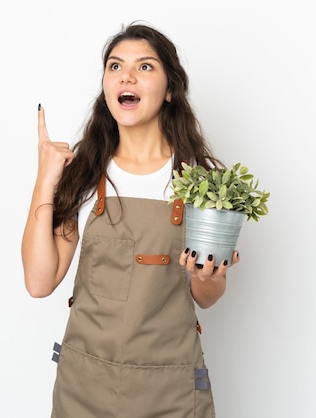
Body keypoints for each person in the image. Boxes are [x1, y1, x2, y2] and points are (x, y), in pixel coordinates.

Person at [21, 22, 240, 417]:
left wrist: (211, 277)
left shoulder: (200, 183)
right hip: (84, 388)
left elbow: (206, 297)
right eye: (115, 66)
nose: (126, 75)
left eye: (145, 67)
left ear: (171, 89)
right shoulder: (85, 174)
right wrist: (45, 180)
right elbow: (39, 281)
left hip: (171, 391)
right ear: (106, 85)